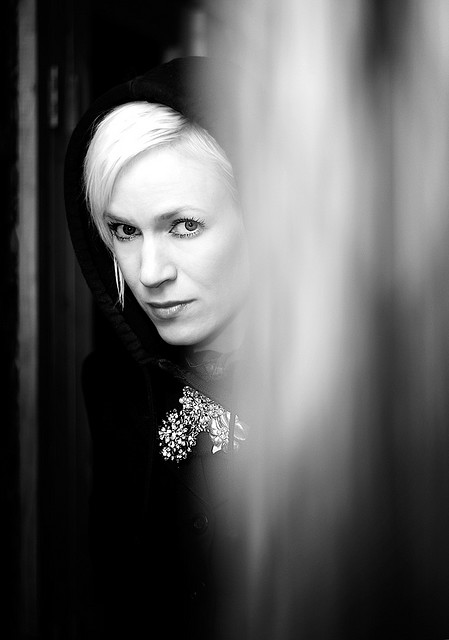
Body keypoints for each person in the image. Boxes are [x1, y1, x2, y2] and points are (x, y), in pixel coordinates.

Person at [64, 56, 251, 639]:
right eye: (124, 231)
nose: (149, 272)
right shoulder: (113, 388)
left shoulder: (360, 393)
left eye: (184, 226)